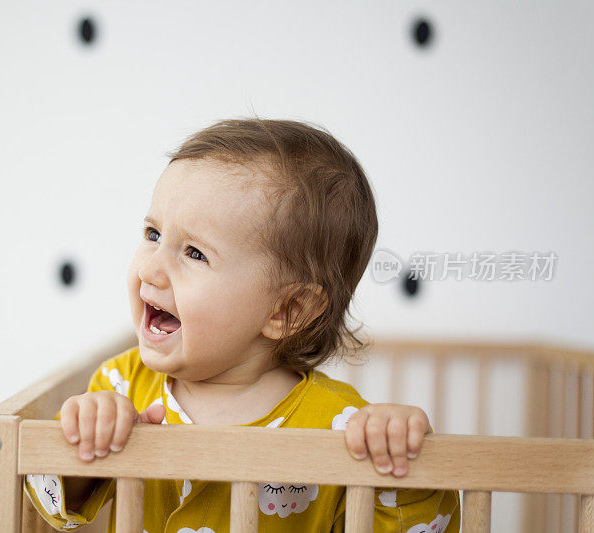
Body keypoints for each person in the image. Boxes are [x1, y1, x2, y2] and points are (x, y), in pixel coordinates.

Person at [24, 117, 460, 532]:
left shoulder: (339, 425)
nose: (152, 271)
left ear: (286, 312)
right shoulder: (121, 386)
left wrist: (403, 468)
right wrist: (84, 436)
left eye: (195, 253)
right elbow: (57, 510)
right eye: (153, 235)